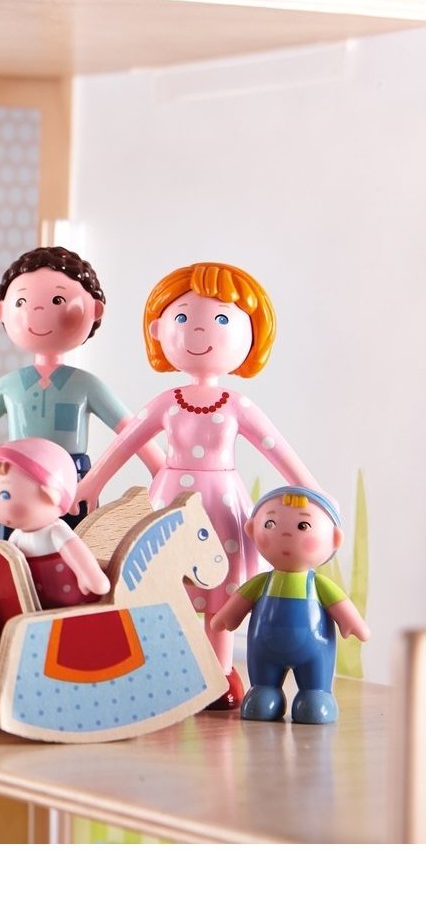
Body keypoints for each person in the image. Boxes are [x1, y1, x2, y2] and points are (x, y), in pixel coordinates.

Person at [75, 262, 320, 710]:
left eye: (222, 318)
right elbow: (125, 442)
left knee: (222, 591)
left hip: (224, 505)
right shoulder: (166, 402)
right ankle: (161, 668)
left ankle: (219, 671)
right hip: (168, 502)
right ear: (158, 330)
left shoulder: (237, 405)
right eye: (183, 317)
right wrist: (91, 484)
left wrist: (312, 492)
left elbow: (277, 449)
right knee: (161, 584)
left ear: (251, 335)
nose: (200, 329)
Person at [0, 246, 162, 534]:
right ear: (2, 312)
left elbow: (132, 430)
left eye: (58, 300)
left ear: (94, 310)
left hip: (72, 481)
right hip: (14, 479)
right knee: (14, 552)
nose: (36, 311)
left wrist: (159, 467)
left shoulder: (85, 386)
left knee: (74, 546)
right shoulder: (10, 385)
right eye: (21, 301)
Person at [210, 487, 369, 724]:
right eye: (270, 523)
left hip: (314, 652)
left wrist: (353, 623)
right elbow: (239, 602)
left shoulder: (318, 585)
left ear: (334, 539)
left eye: (303, 526)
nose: (284, 534)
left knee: (314, 700)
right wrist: (227, 617)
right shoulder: (262, 583)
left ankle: (316, 695)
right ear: (252, 529)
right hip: (264, 649)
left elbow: (341, 606)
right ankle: (264, 691)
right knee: (261, 696)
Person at [0, 439, 110, 608]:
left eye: (5, 495)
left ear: (51, 494)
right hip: (36, 604)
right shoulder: (16, 537)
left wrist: (91, 577)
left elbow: (79, 557)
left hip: (72, 602)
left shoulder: (56, 532)